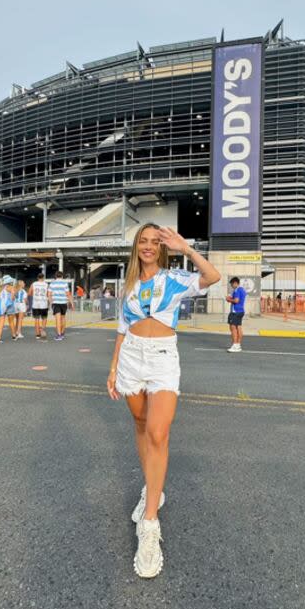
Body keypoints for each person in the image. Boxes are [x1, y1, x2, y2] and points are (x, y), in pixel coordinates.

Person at [107, 224, 220, 579]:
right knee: (140, 426)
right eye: (144, 241)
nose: (149, 247)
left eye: (155, 243)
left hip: (162, 358)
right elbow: (122, 330)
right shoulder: (128, 285)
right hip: (130, 359)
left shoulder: (174, 279)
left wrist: (186, 249)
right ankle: (150, 490)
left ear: (163, 248)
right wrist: (112, 370)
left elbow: (213, 275)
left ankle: (150, 526)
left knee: (158, 432)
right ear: (135, 246)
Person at [49, 271, 74, 341]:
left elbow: (49, 294)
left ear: (55, 276)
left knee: (57, 319)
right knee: (63, 318)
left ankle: (59, 335)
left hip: (56, 303)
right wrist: (72, 303)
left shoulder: (52, 283)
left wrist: (51, 303)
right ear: (62, 276)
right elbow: (68, 294)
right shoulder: (65, 283)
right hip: (63, 303)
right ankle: (62, 333)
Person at [226, 277, 246, 353]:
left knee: (233, 328)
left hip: (235, 312)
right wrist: (231, 297)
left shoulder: (237, 290)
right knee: (239, 328)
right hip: (241, 311)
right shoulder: (242, 290)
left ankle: (235, 345)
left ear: (235, 283)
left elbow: (236, 300)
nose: (231, 285)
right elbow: (239, 299)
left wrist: (229, 299)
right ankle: (238, 345)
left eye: (231, 284)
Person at [0, 276, 16, 343]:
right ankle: (13, 336)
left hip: (1, 305)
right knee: (11, 321)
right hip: (9, 305)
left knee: (1, 322)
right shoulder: (11, 287)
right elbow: (12, 298)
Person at [29, 272, 50, 340]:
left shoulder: (34, 284)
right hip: (44, 303)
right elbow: (48, 294)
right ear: (43, 278)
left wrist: (34, 295)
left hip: (36, 303)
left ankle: (37, 334)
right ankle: (43, 330)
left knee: (36, 319)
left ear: (37, 277)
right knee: (44, 318)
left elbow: (29, 293)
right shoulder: (46, 284)